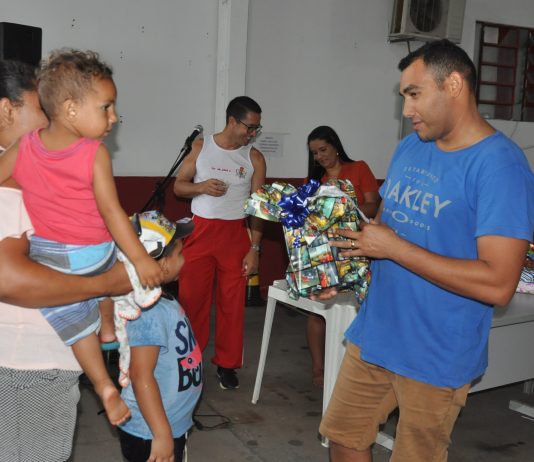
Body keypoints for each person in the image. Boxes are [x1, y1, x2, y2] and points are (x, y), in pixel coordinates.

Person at [316, 39, 534, 461]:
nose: (407, 110)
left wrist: (395, 248)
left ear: (453, 85)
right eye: (404, 96)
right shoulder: (411, 146)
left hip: (438, 352)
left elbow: (499, 284)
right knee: (343, 436)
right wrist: (344, 274)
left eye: (414, 94)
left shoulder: (501, 167)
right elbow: (382, 233)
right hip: (377, 333)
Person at [0, 49, 165, 425]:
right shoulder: (94, 153)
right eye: (106, 107)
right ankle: (109, 320)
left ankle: (104, 385)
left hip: (51, 256)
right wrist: (140, 259)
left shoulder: (25, 146)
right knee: (115, 259)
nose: (114, 117)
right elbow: (111, 212)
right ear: (71, 110)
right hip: (95, 253)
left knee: (75, 328)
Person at [174, 96, 266, 390]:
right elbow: (179, 186)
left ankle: (227, 364)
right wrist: (201, 187)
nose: (253, 133)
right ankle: (191, 360)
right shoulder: (201, 148)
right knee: (192, 300)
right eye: (249, 127)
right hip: (200, 232)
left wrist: (254, 248)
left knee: (232, 305)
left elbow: (259, 208)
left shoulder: (254, 158)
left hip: (234, 235)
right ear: (232, 121)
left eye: (257, 128)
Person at [118, 216, 202, 462]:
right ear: (162, 264)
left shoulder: (161, 300)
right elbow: (141, 375)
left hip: (168, 425)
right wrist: (162, 434)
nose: (184, 260)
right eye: (179, 254)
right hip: (151, 432)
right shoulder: (148, 312)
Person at [306, 125, 380, 387]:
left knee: (363, 307)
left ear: (335, 147)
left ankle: (362, 367)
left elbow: (374, 205)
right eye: (315, 153)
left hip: (360, 247)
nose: (320, 157)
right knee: (318, 310)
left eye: (323, 149)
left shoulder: (358, 168)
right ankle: (319, 368)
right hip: (327, 252)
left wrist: (344, 210)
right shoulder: (316, 182)